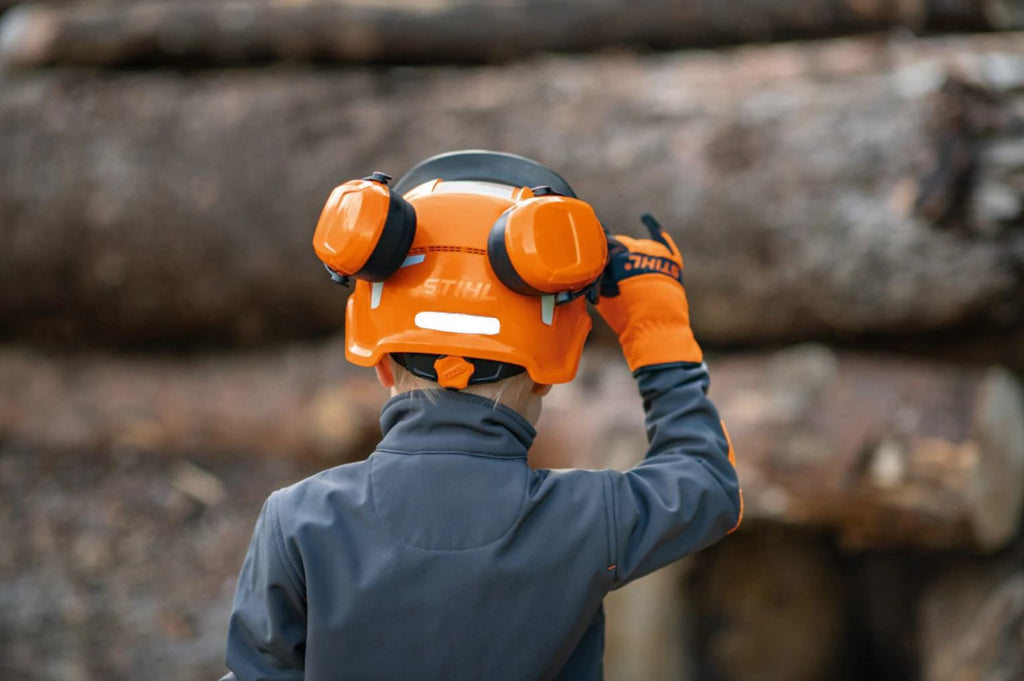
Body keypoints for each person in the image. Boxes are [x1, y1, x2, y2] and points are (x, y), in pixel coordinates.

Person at [220, 150, 742, 681]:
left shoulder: (299, 519)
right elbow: (707, 486)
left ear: (380, 361)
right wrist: (656, 331)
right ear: (549, 370)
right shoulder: (587, 519)